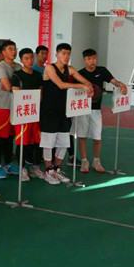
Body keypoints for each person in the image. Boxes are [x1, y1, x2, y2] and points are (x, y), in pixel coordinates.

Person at [39, 43, 93, 185]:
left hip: (64, 111)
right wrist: (82, 86)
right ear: (56, 54)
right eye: (63, 53)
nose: (66, 56)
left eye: (68, 53)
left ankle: (56, 169)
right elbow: (61, 85)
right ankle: (48, 171)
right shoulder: (50, 68)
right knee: (49, 142)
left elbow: (84, 80)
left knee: (63, 141)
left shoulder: (70, 69)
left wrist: (89, 86)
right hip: (49, 111)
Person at [76, 48, 128, 174]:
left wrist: (121, 85)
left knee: (97, 137)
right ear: (84, 60)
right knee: (82, 136)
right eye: (89, 59)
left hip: (96, 110)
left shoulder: (102, 71)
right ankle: (84, 161)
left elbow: (114, 81)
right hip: (82, 109)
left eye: (94, 58)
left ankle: (96, 161)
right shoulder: (80, 74)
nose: (92, 61)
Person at [0, 40, 21, 180]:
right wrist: (16, 86)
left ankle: (8, 163)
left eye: (14, 49)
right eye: (10, 49)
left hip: (17, 107)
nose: (13, 52)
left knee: (10, 137)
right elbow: (7, 86)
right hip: (3, 106)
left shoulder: (19, 66)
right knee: (1, 137)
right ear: (3, 52)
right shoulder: (0, 67)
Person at [14, 48, 44, 181]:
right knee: (23, 142)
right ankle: (22, 168)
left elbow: (41, 93)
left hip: (36, 113)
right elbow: (16, 94)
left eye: (31, 58)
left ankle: (35, 167)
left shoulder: (38, 75)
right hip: (22, 114)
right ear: (21, 60)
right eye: (26, 58)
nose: (30, 61)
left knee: (37, 141)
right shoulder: (17, 76)